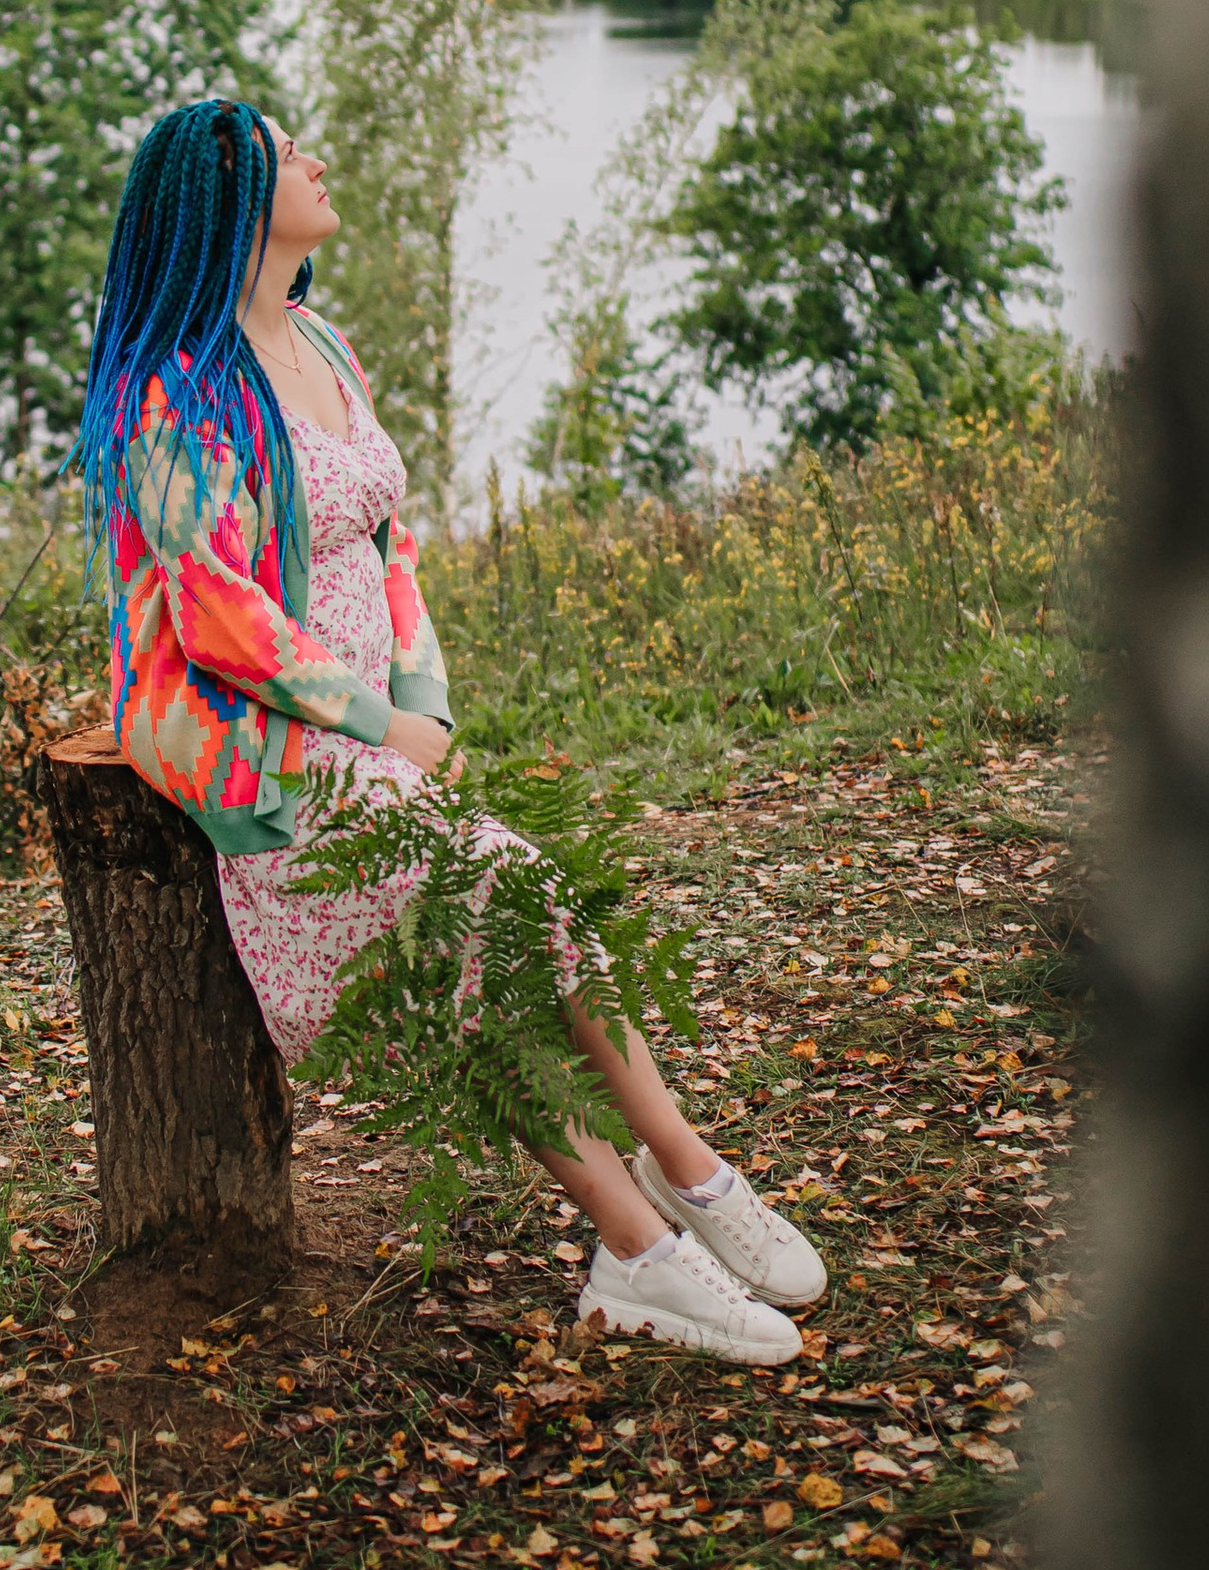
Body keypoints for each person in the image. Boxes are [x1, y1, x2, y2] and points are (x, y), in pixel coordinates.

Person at [75, 95, 824, 1364]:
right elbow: (213, 612)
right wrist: (371, 721)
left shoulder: (323, 344)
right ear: (233, 201)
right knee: (492, 928)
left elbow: (388, 540)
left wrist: (421, 703)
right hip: (266, 755)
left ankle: (674, 1200)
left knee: (516, 928)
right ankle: (651, 1233)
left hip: (381, 741)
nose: (315, 156)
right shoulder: (177, 392)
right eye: (285, 149)